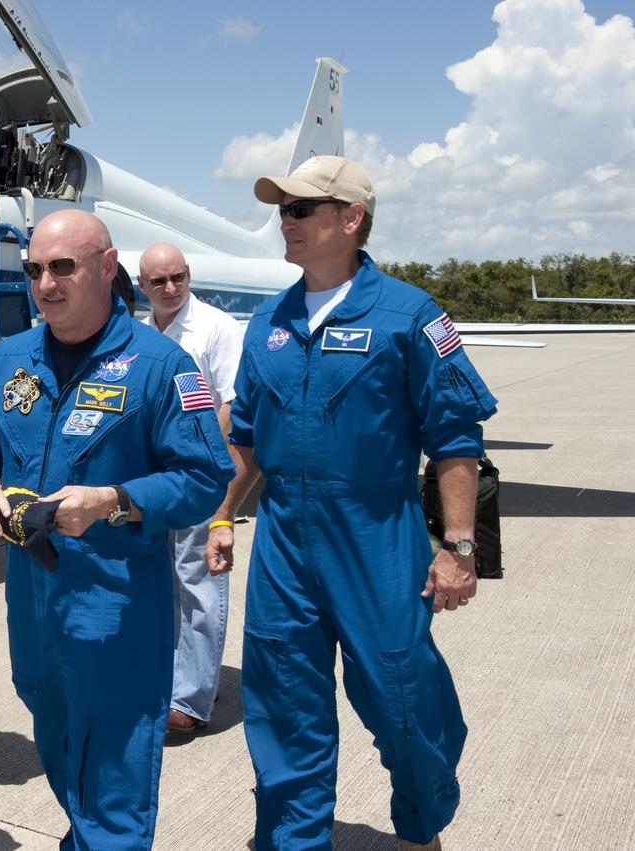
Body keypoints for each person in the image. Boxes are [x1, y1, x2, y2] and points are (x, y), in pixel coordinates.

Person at [212, 156, 498, 851]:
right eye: (283, 208)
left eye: (303, 208)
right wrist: (221, 514)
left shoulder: (412, 315)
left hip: (377, 534)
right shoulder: (267, 324)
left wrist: (460, 549)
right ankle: (293, 838)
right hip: (284, 540)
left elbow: (456, 440)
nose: (288, 220)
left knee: (405, 699)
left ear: (351, 218)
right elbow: (246, 437)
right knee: (282, 704)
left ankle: (423, 824)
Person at [0, 209, 235, 848]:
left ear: (108, 267)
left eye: (62, 267)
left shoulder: (162, 365)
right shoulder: (11, 358)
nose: (45, 283)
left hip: (117, 598)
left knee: (116, 750)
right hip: (30, 594)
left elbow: (204, 477)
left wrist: (114, 499)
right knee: (50, 718)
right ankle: (84, 834)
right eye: (34, 270)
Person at [136, 242, 244, 738]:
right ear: (143, 286)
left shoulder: (215, 328)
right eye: (159, 281)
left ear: (189, 275)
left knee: (198, 580)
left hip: (197, 475)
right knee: (162, 583)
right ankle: (173, 679)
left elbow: (231, 405)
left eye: (178, 277)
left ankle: (192, 699)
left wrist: (209, 467)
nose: (171, 288)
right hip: (154, 481)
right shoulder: (141, 331)